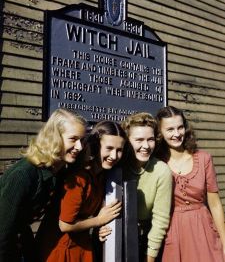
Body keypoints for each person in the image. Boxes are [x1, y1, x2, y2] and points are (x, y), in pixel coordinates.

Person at [0, 108, 87, 262]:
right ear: (54, 138)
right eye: (73, 139)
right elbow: (3, 230)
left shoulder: (59, 170)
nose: (79, 146)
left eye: (82, 140)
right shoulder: (23, 175)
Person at [43, 120, 127, 262]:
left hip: (82, 246)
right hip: (61, 249)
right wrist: (98, 220)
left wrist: (100, 229)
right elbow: (65, 224)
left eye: (119, 150)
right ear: (95, 147)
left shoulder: (102, 176)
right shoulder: (78, 178)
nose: (114, 156)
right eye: (109, 148)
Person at [99, 112, 172, 262]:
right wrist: (99, 226)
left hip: (143, 242)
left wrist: (149, 257)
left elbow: (160, 221)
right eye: (139, 140)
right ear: (127, 140)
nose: (146, 146)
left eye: (150, 140)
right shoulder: (115, 165)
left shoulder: (161, 171)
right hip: (112, 238)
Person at [156, 105, 225, 262]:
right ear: (160, 132)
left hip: (203, 230)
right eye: (170, 129)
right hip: (172, 232)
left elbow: (215, 204)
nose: (176, 134)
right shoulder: (157, 163)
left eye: (180, 127)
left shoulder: (203, 158)